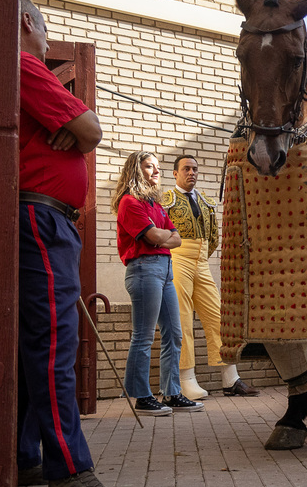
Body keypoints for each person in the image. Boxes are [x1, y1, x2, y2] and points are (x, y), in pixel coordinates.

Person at [17, 0, 126, 487]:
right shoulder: (23, 64)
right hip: (41, 218)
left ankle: (26, 455)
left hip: (44, 218)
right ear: (26, 23)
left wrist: (75, 126)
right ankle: (69, 472)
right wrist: (78, 124)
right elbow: (93, 131)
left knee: (34, 344)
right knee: (54, 344)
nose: (44, 38)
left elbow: (83, 131)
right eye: (44, 27)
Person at [110, 151, 202, 416]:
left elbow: (177, 239)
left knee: (174, 333)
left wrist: (161, 236)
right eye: (150, 167)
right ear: (136, 171)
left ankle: (172, 393)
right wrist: (162, 236)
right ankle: (141, 397)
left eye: (158, 167)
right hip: (143, 270)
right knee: (144, 335)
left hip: (165, 271)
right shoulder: (130, 203)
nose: (156, 171)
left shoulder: (156, 206)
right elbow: (153, 236)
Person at [162, 154, 259, 398]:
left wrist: (201, 254)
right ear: (175, 173)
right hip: (177, 259)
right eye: (186, 169)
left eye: (194, 168)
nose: (191, 173)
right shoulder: (167, 199)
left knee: (218, 317)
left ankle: (230, 379)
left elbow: (214, 237)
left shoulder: (205, 200)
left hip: (202, 261)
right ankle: (186, 379)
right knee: (182, 320)